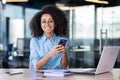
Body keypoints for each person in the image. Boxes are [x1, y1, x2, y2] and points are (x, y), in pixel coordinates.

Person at [29, 5, 69, 70]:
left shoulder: (62, 40)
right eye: (44, 21)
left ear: (55, 23)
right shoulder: (35, 41)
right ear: (40, 24)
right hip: (41, 76)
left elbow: (64, 67)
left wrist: (64, 54)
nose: (47, 24)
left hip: (58, 76)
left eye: (51, 21)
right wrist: (50, 54)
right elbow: (36, 66)